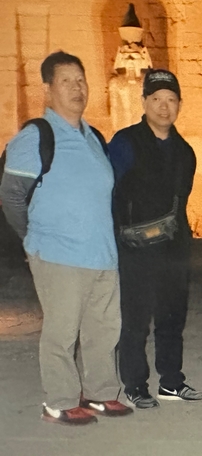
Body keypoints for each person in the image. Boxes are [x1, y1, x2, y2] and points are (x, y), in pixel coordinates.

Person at [0, 51, 131, 425]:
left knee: (103, 331)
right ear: (47, 89)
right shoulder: (36, 136)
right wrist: (32, 238)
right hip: (58, 253)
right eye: (66, 81)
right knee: (61, 333)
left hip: (102, 255)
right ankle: (58, 400)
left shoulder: (93, 136)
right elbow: (11, 195)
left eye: (81, 80)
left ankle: (102, 393)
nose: (77, 88)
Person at [110, 69, 202, 408]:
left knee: (171, 316)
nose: (164, 107)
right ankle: (136, 384)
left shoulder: (184, 150)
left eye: (170, 100)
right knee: (135, 319)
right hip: (134, 247)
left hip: (173, 245)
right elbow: (110, 191)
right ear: (144, 102)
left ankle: (171, 380)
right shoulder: (125, 142)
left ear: (179, 104)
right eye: (156, 100)